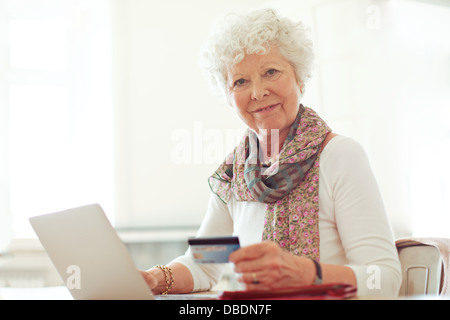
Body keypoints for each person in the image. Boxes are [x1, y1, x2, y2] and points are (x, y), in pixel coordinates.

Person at [140, 8, 402, 297]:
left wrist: (305, 273)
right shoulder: (234, 172)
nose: (258, 92)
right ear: (228, 95)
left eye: (271, 72)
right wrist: (154, 278)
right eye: (240, 81)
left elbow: (385, 278)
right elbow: (204, 265)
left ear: (299, 78)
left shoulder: (341, 156)